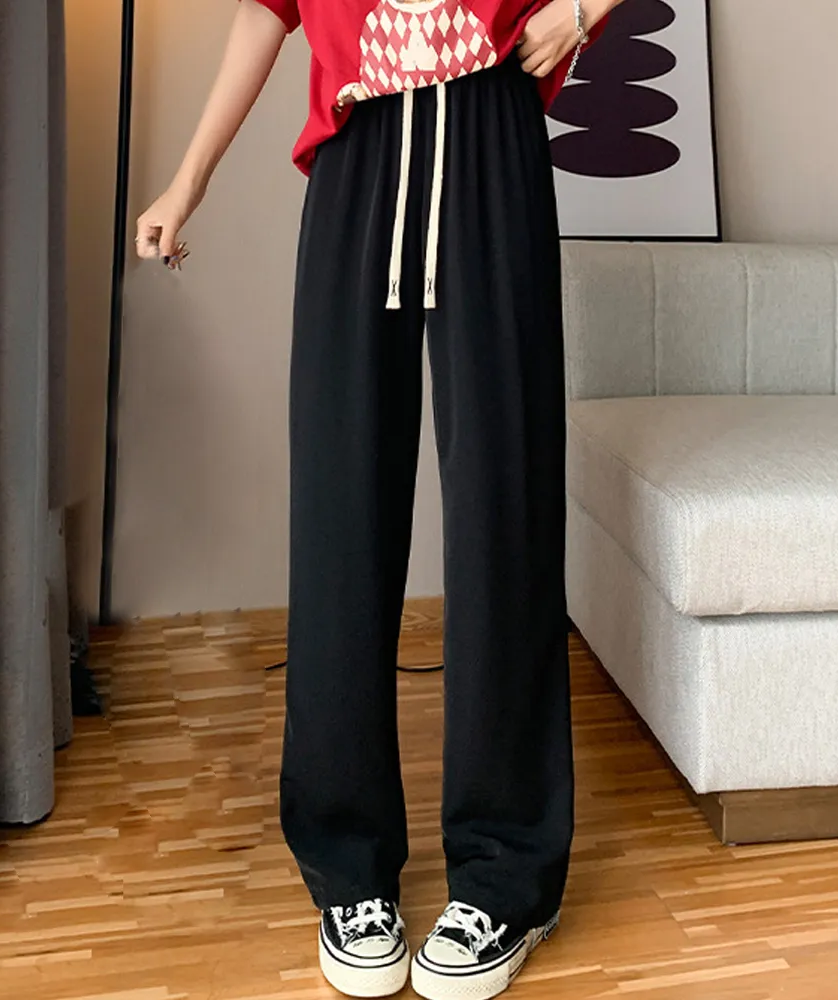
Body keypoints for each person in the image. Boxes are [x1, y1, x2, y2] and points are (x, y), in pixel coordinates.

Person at [136, 0, 620, 996]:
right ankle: (347, 867)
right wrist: (188, 180)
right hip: (358, 153)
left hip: (489, 134)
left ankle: (508, 876)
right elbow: (264, 14)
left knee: (504, 513)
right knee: (338, 518)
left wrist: (581, 10)